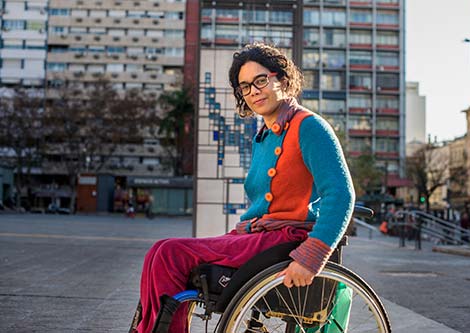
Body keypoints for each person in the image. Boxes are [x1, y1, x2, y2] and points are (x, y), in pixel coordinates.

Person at [131, 43, 355, 333]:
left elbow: (341, 194)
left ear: (282, 81)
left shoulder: (309, 127)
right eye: (245, 87)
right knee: (159, 251)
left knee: (170, 253)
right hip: (258, 236)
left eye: (261, 80)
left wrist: (312, 257)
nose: (253, 91)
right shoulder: (263, 137)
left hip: (285, 240)